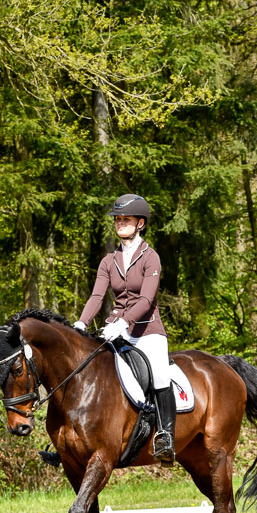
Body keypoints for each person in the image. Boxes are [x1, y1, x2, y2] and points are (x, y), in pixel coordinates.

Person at [73, 193, 176, 464]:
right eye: (117, 219)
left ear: (140, 223)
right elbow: (97, 297)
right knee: (87, 370)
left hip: (147, 330)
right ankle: (74, 438)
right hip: (115, 329)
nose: (120, 223)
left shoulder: (150, 258)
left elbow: (146, 300)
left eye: (126, 219)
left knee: (160, 375)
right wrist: (81, 323)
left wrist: (123, 322)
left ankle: (166, 435)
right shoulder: (109, 261)